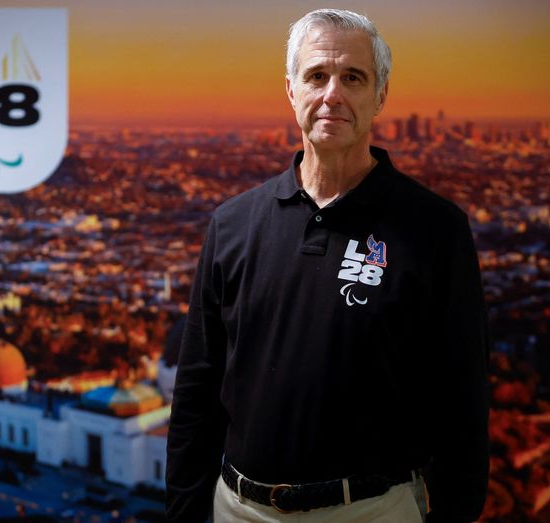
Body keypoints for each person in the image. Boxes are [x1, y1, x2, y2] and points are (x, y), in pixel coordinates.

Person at [166, 8, 489, 523]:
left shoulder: (435, 230)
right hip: (238, 509)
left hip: (372, 510)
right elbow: (197, 390)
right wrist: (185, 510)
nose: (332, 94)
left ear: (380, 95)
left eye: (353, 78)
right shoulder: (232, 224)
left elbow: (463, 397)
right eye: (316, 76)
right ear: (291, 90)